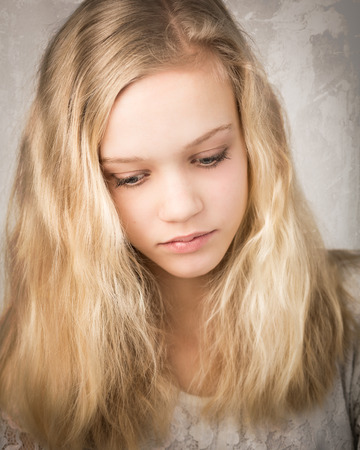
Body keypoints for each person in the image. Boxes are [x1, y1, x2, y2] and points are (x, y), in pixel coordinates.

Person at [0, 0, 359, 448]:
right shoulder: (22, 364)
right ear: (74, 186)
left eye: (209, 158)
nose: (181, 207)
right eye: (130, 177)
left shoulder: (351, 310)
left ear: (256, 138)